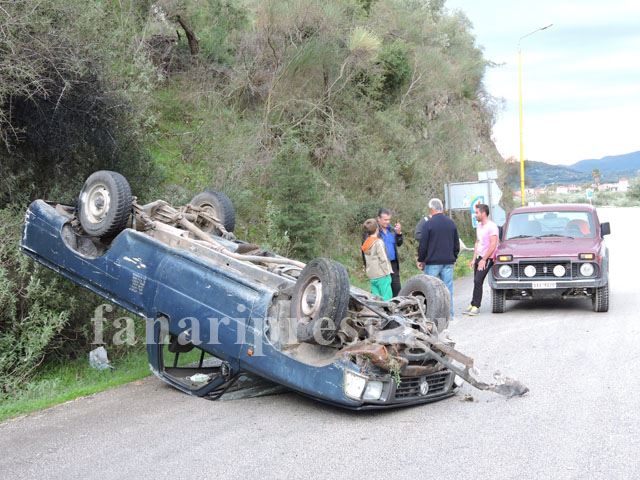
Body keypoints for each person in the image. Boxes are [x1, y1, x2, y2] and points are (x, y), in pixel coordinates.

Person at [416, 198, 459, 317]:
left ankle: (431, 315)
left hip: (432, 263)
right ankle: (449, 315)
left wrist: (421, 259)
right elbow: (456, 243)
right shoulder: (451, 223)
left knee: (430, 289)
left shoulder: (428, 224)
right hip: (448, 262)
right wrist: (454, 256)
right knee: (447, 289)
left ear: (432, 209)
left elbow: (423, 244)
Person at [464, 203, 499, 316]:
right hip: (480, 257)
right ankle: (473, 303)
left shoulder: (492, 226)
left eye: (477, 213)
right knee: (476, 281)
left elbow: (493, 244)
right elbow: (477, 242)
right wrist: (474, 259)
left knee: (478, 280)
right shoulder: (479, 226)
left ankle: (476, 306)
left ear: (483, 213)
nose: (475, 215)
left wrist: (484, 259)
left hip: (488, 257)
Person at [361, 218, 393, 301]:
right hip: (382, 274)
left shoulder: (365, 243)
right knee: (387, 297)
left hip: (372, 275)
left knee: (376, 298)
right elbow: (383, 259)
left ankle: (377, 313)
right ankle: (388, 313)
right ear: (377, 229)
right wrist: (387, 272)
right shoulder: (378, 242)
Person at [375, 208, 403, 296]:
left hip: (393, 264)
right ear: (378, 219)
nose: (387, 222)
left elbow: (399, 243)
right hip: (381, 264)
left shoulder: (391, 230)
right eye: (385, 220)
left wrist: (399, 234)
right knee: (383, 289)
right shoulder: (373, 231)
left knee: (397, 288)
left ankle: (397, 307)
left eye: (389, 219)